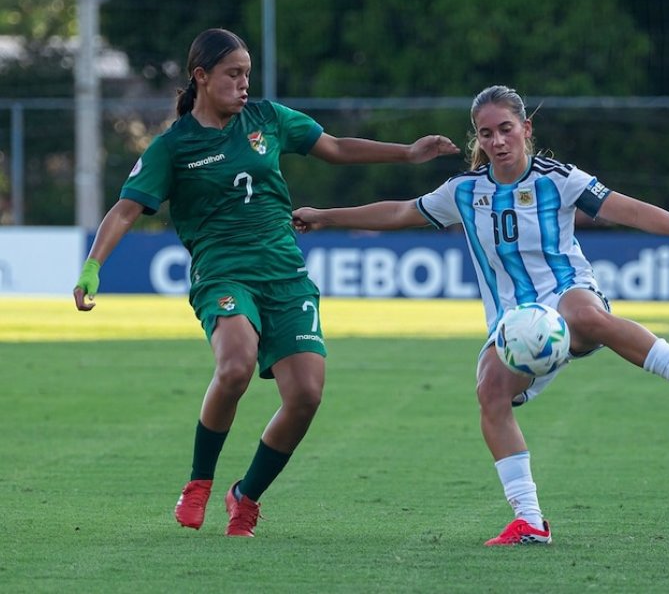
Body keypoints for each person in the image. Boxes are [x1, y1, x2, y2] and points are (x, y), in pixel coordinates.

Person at [293, 85, 669, 547]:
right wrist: (327, 217)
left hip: (566, 293)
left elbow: (626, 208)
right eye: (486, 133)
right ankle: (530, 521)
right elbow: (399, 212)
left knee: (585, 314)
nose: (497, 141)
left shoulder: (560, 179)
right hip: (512, 324)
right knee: (489, 393)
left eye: (506, 130)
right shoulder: (464, 191)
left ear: (526, 129)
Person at [72, 28, 459, 537]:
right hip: (223, 273)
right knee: (235, 366)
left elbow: (337, 147)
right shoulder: (174, 147)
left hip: (285, 274)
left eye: (247, 74)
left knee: (306, 395)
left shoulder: (268, 119)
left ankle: (245, 495)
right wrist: (91, 267)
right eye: (233, 74)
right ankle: (198, 484)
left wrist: (407, 154)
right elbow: (125, 210)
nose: (243, 84)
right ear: (201, 77)